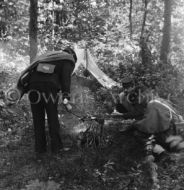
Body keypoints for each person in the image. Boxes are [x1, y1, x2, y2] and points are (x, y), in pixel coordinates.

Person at [16, 47, 77, 155]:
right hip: (48, 87)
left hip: (33, 86)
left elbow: (31, 72)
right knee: (52, 117)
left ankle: (40, 150)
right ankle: (57, 149)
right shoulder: (68, 59)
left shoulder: (47, 56)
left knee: (38, 119)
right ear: (72, 55)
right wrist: (66, 97)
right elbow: (65, 79)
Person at [115, 76, 184, 161]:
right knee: (145, 133)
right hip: (170, 127)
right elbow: (140, 113)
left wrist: (131, 124)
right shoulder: (150, 101)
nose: (126, 90)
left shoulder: (152, 103)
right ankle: (163, 153)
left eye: (128, 87)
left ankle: (163, 154)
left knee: (140, 133)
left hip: (173, 130)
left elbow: (145, 122)